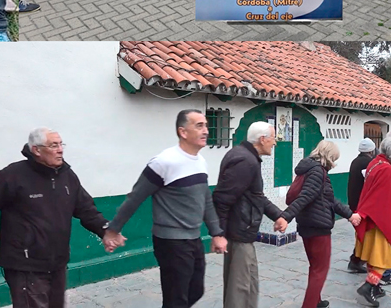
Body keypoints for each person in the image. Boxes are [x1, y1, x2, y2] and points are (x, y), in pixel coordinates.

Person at [104, 110, 227, 307]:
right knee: (176, 299)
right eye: (199, 126)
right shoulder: (164, 162)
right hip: (171, 242)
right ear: (183, 132)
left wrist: (217, 233)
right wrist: (113, 230)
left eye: (206, 125)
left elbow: (206, 200)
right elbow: (135, 198)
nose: (206, 130)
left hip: (193, 238)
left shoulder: (201, 162)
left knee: (195, 291)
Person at [0, 128, 111, 308]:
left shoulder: (67, 176)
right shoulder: (13, 175)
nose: (60, 150)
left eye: (61, 144)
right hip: (26, 266)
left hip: (57, 264)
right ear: (36, 150)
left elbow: (86, 209)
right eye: (54, 145)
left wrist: (106, 230)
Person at [211, 122, 284, 308]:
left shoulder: (246, 157)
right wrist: (218, 234)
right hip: (239, 234)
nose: (274, 143)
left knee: (247, 286)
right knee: (241, 289)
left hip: (241, 232)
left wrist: (278, 215)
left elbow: (256, 197)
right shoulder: (245, 161)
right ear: (262, 139)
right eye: (273, 138)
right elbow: (222, 198)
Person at [280, 141, 360, 308]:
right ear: (329, 156)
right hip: (318, 227)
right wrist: (286, 217)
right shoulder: (317, 172)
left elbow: (330, 200)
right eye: (334, 158)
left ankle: (316, 300)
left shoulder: (308, 169)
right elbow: (305, 197)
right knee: (320, 270)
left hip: (307, 224)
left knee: (315, 266)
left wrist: (350, 215)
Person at [352, 134, 391, 306]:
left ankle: (376, 286)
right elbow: (379, 197)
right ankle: (369, 285)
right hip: (381, 220)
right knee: (383, 257)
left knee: (372, 255)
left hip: (373, 218)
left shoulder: (375, 162)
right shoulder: (385, 168)